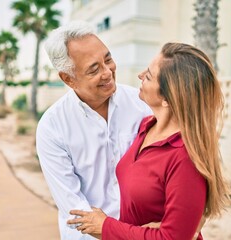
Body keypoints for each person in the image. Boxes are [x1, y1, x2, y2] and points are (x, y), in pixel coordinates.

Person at [67, 42, 231, 239]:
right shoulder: (146, 127)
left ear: (167, 98)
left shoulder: (184, 156)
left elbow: (173, 238)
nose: (140, 75)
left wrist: (105, 227)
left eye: (148, 76)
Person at [36, 21, 151, 240]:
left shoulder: (141, 104)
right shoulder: (52, 127)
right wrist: (117, 232)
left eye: (108, 59)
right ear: (68, 79)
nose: (108, 72)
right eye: (94, 69)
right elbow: (74, 206)